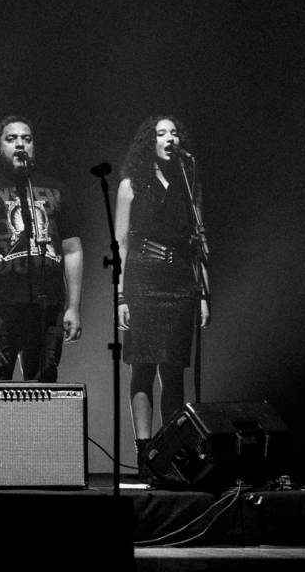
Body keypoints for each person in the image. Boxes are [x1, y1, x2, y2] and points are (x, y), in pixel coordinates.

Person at [0, 116, 83, 381]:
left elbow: (72, 249)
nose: (20, 144)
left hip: (47, 304)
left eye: (26, 138)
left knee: (43, 383)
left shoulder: (56, 189)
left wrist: (73, 306)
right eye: (11, 139)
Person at [114, 116, 209, 467]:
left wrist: (203, 294)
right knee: (142, 366)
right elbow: (120, 243)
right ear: (149, 142)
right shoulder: (131, 185)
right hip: (142, 278)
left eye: (174, 133)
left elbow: (199, 240)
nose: (170, 138)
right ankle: (144, 451)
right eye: (161, 133)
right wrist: (120, 296)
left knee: (173, 369)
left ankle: (171, 451)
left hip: (180, 281)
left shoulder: (189, 183)